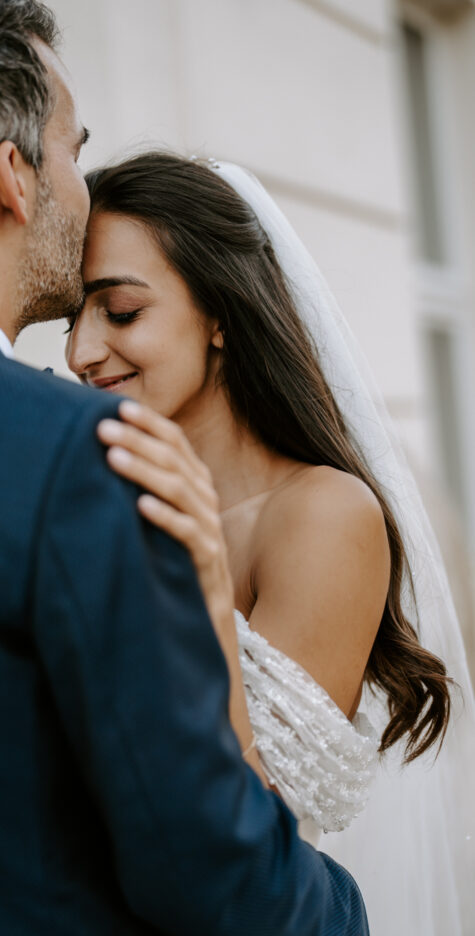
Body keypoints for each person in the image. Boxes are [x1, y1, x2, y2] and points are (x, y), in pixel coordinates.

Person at [0, 0, 368, 934]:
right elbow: (223, 887)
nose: (79, 184)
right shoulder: (87, 462)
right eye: (73, 148)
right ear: (12, 176)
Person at [66, 150, 475, 935]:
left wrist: (208, 597)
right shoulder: (97, 499)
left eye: (118, 312)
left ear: (220, 313)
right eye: (72, 319)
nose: (81, 352)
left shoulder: (319, 516)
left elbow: (255, 847)